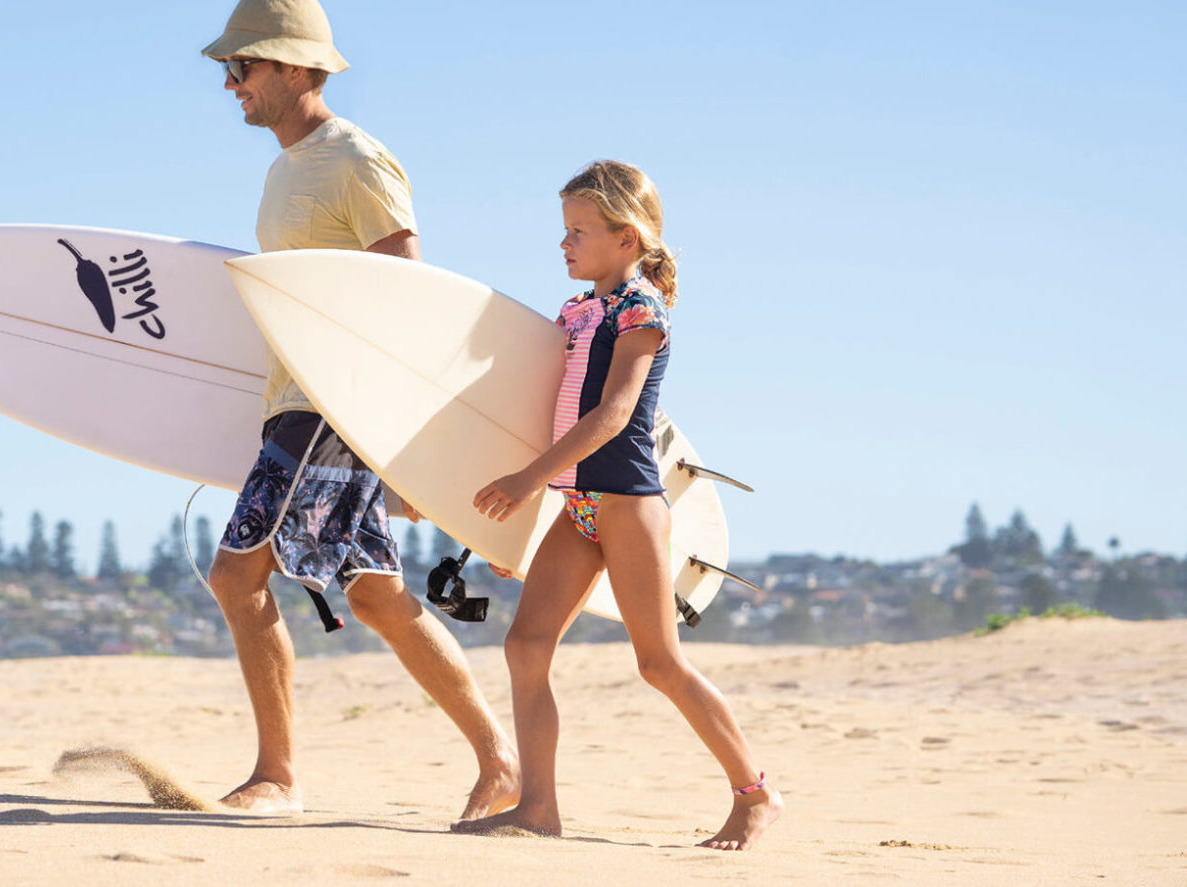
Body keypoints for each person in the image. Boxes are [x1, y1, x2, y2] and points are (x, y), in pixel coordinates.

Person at [196, 0, 518, 819]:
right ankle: (500, 760)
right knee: (373, 595)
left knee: (238, 574)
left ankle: (278, 774)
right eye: (228, 69)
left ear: (298, 69)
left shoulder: (357, 161)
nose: (231, 83)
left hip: (331, 406)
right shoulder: (282, 171)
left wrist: (403, 442)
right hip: (295, 406)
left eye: (246, 66)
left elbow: (408, 300)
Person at [459, 160, 784, 849]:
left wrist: (523, 481)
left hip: (630, 504)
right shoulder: (576, 311)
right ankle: (539, 807)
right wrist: (517, 523)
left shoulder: (641, 310)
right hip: (578, 505)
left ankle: (755, 793)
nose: (564, 243)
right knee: (525, 646)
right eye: (565, 230)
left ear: (627, 238)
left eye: (579, 230)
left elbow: (612, 415)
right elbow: (540, 413)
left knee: (658, 663)